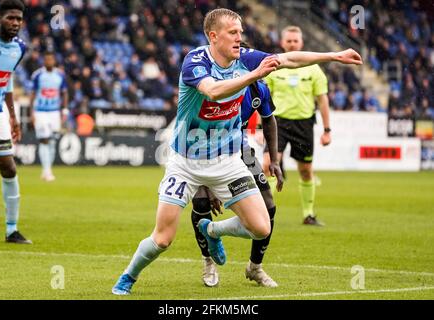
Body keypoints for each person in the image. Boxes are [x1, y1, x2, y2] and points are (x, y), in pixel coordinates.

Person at [112, 8, 362, 295]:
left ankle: (212, 230)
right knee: (163, 238)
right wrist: (254, 74)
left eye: (241, 32)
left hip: (228, 161)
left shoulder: (244, 57)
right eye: (233, 33)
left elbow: (288, 59)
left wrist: (333, 56)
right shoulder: (195, 62)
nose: (239, 38)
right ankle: (128, 276)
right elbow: (214, 91)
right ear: (213, 36)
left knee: (261, 227)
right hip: (185, 162)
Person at [191, 79, 283, 288]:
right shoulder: (212, 87)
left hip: (239, 150)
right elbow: (198, 128)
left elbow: (269, 120)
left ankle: (255, 267)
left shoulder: (258, 88)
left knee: (268, 205)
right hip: (200, 148)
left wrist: (275, 160)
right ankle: (208, 261)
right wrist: (208, 185)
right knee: (202, 203)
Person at [263, 26, 333, 226]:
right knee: (268, 164)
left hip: (304, 124)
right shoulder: (274, 66)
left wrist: (327, 130)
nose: (292, 44)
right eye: (289, 41)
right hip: (278, 123)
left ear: (301, 43)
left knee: (305, 170)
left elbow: (323, 100)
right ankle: (266, 212)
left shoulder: (314, 69)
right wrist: (260, 128)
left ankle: (308, 214)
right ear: (282, 42)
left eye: (296, 41)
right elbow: (262, 98)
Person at [0, 0, 31, 244]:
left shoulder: (19, 48)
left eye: (19, 19)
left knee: (9, 168)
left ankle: (11, 230)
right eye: (10, 18)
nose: (15, 23)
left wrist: (12, 116)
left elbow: (7, 80)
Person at [29, 51, 69, 181]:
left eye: (51, 60)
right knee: (44, 139)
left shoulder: (60, 75)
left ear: (54, 61)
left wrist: (64, 110)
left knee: (52, 140)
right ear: (43, 61)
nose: (49, 62)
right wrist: (31, 112)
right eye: (46, 60)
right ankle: (47, 171)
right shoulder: (38, 75)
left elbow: (64, 93)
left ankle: (47, 169)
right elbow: (33, 94)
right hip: (41, 111)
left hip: (54, 111)